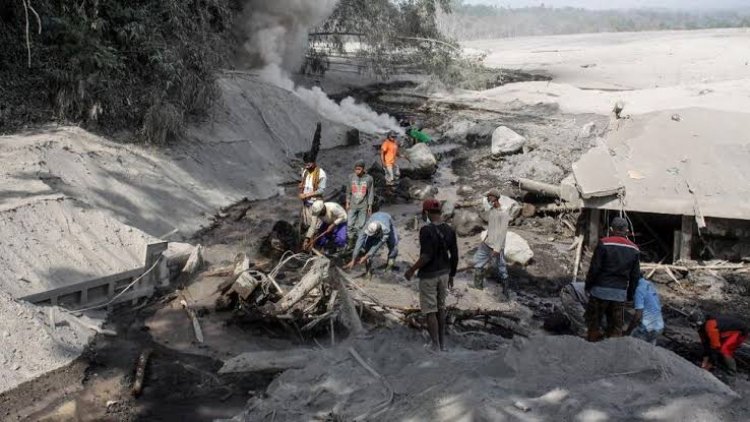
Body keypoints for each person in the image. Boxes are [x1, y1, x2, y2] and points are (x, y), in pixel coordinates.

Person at [405, 199, 458, 352]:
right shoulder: (450, 229)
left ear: (426, 212)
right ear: (440, 212)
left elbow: (426, 256)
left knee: (430, 311)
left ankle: (435, 346)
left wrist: (412, 270)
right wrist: (452, 275)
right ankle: (442, 344)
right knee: (441, 308)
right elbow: (455, 255)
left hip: (429, 275)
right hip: (444, 274)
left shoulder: (426, 230)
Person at [584, 216, 640, 342]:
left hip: (599, 292)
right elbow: (635, 276)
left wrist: (588, 286)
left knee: (593, 326)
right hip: (619, 295)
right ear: (627, 231)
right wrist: (630, 296)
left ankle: (591, 352)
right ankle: (613, 357)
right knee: (615, 330)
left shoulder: (604, 243)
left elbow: (594, 268)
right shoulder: (634, 249)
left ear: (611, 229)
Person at [473, 189, 510, 295]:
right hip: (487, 243)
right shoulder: (492, 210)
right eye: (488, 197)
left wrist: (497, 249)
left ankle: (505, 292)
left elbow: (502, 232)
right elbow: (491, 227)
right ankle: (477, 288)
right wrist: (485, 239)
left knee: (501, 268)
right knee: (477, 262)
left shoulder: (504, 212)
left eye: (490, 197)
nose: (488, 199)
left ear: (495, 198)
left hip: (497, 246)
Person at [624, 277, 664, 345]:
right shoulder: (650, 284)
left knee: (629, 344)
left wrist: (628, 331)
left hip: (647, 328)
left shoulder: (638, 290)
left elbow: (638, 315)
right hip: (659, 326)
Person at [345, 160, 374, 250]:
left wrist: (370, 205)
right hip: (353, 205)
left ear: (363, 169)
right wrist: (347, 202)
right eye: (356, 169)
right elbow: (348, 191)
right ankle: (350, 242)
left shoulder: (369, 179)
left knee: (361, 225)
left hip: (363, 205)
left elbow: (370, 193)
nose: (357, 171)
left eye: (359, 169)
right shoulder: (351, 177)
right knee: (350, 224)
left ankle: (359, 243)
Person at [298, 153, 327, 237]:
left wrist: (307, 195)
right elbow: (303, 184)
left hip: (315, 202)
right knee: (307, 223)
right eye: (306, 163)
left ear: (314, 162)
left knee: (316, 227)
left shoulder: (321, 173)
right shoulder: (305, 172)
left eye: (309, 163)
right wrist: (301, 186)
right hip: (306, 203)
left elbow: (321, 190)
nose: (307, 165)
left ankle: (314, 242)